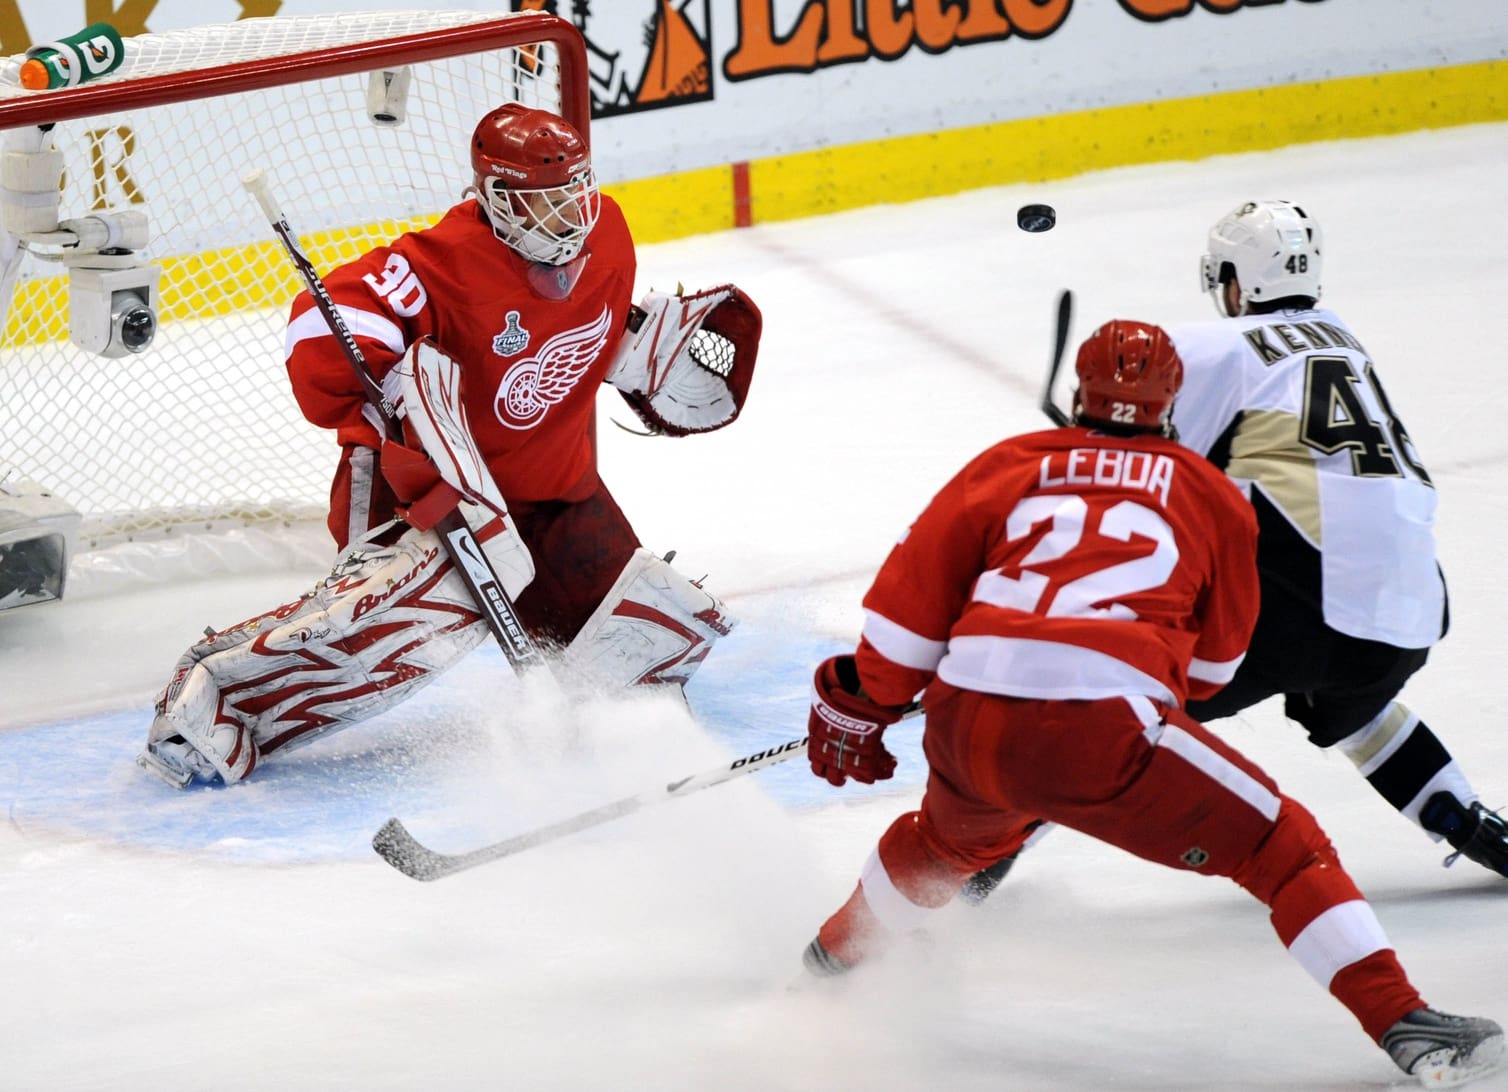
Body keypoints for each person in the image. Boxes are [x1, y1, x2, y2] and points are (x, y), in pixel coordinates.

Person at [798, 319, 1503, 1087]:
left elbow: (903, 622)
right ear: (1174, 400)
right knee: (1283, 846)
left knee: (942, 844)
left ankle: (830, 962)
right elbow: (1215, 667)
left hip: (967, 720)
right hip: (1099, 727)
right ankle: (1407, 1024)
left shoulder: (1005, 466)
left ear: (1079, 390)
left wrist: (866, 703)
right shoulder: (1209, 491)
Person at [137, 103, 761, 788]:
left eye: (573, 193)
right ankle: (206, 707)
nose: (568, 216)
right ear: (494, 200)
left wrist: (637, 349)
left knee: (642, 647)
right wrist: (364, 365)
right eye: (543, 203)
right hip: (431, 493)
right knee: (387, 630)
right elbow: (320, 328)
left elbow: (589, 327)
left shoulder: (608, 232)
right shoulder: (442, 262)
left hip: (555, 491)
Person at [1168, 199, 1506, 878]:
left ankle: (974, 860)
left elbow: (1142, 425)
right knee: (1353, 704)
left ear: (1237, 281)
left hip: (1308, 617)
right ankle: (1466, 819)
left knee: (1110, 705)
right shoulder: (1342, 338)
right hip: (1410, 618)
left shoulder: (1218, 348)